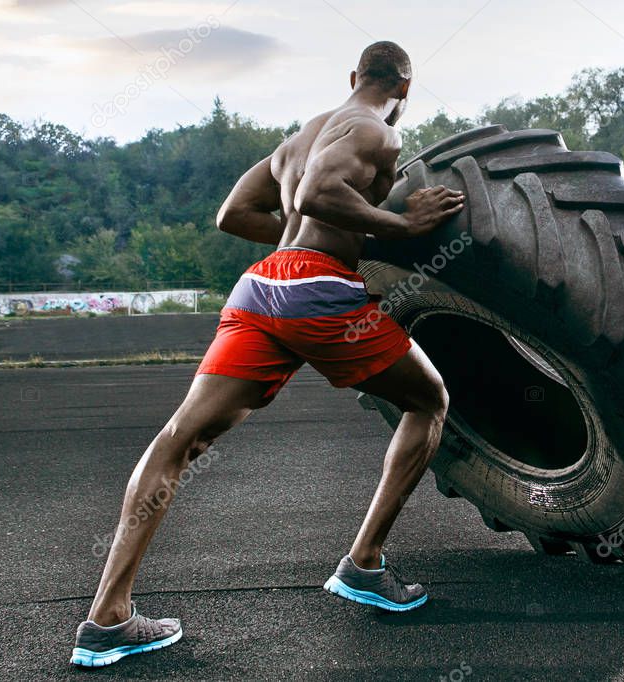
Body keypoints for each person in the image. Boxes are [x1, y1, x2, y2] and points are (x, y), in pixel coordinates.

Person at [70, 40, 464, 668]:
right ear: (405, 90)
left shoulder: (302, 135)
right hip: (318, 291)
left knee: (179, 439)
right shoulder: (378, 133)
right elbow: (319, 197)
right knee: (430, 401)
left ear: (353, 75)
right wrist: (402, 227)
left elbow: (233, 214)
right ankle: (364, 565)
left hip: (262, 285)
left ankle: (107, 618)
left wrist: (309, 239)